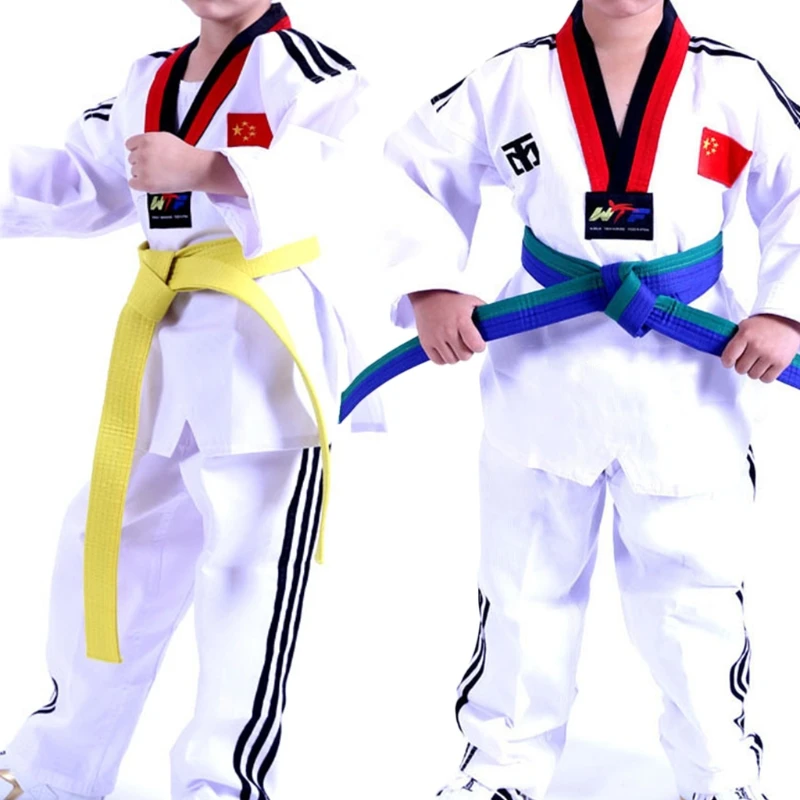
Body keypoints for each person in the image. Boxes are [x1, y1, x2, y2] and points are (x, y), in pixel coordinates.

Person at [356, 1, 800, 798]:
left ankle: (721, 774)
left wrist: (784, 310)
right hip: (543, 372)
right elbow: (413, 165)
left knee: (695, 598)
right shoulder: (513, 78)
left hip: (689, 378)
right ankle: (501, 772)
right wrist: (431, 285)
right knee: (523, 589)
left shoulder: (734, 82)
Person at [0, 1, 382, 798]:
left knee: (248, 572)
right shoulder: (149, 78)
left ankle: (220, 783)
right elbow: (78, 181)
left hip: (260, 354)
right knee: (104, 548)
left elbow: (334, 169)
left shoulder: (309, 69)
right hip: (164, 344)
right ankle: (51, 772)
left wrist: (207, 168)